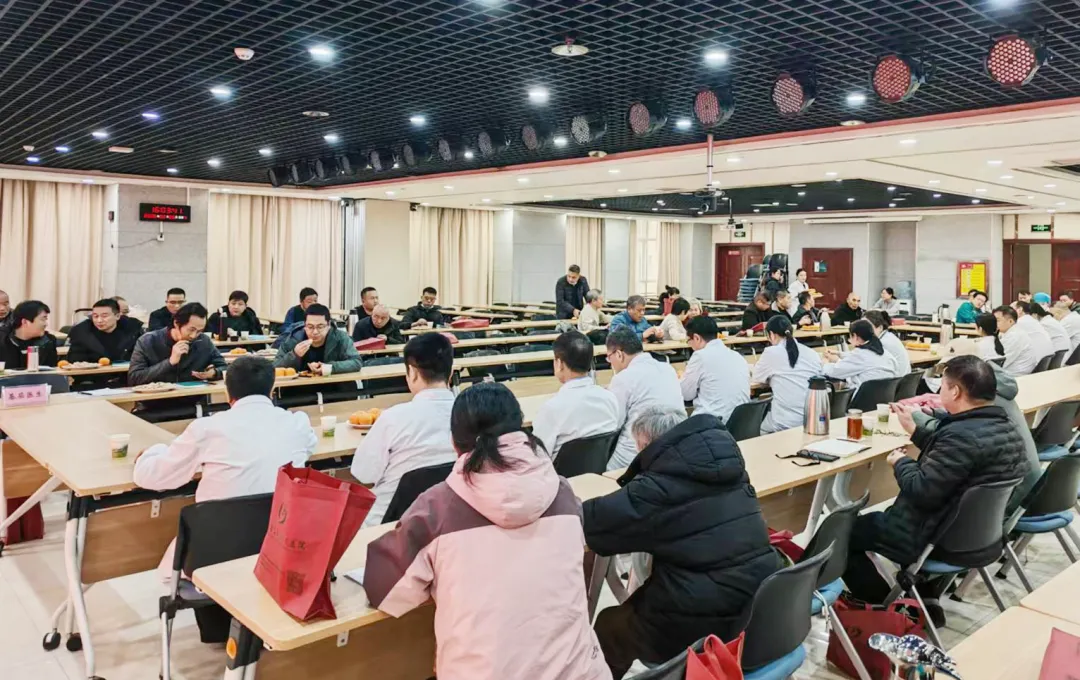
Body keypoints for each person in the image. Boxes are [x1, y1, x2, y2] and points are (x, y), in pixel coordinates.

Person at [364, 382, 611, 680]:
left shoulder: (436, 507)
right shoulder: (563, 493)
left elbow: (384, 591)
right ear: (521, 429)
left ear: (454, 443)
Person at [584, 408, 778, 678]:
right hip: (757, 608)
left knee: (610, 626)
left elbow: (593, 524)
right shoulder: (727, 465)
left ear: (647, 445)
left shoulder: (658, 487)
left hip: (704, 626)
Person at [843, 356, 1029, 622]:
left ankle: (892, 610)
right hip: (978, 538)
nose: (939, 391)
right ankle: (926, 599)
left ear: (955, 391)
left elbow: (922, 490)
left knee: (845, 532)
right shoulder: (1007, 429)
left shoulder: (961, 435)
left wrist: (901, 462)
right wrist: (916, 431)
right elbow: (958, 459)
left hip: (935, 538)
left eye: (942, 386)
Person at [133, 357, 317, 581]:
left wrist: (153, 452)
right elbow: (308, 446)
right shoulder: (297, 423)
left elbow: (153, 476)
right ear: (272, 390)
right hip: (281, 545)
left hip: (214, 553)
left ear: (227, 393)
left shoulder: (207, 428)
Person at [350, 333, 457, 527]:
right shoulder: (471, 415)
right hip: (448, 518)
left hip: (389, 524)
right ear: (451, 373)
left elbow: (363, 474)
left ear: (412, 373)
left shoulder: (393, 417)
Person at [531, 331, 620, 459]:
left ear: (559, 363)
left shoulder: (551, 409)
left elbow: (537, 457)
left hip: (559, 472)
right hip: (599, 470)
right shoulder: (610, 399)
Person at [605, 328, 685, 470]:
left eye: (608, 357)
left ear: (619, 355)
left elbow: (613, 424)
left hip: (635, 456)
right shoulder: (668, 369)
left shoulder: (623, 378)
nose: (609, 362)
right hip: (674, 449)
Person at [753, 315, 824, 433]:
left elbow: (756, 378)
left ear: (771, 334)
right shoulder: (811, 353)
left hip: (785, 422)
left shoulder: (771, 352)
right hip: (811, 419)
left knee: (756, 427)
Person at [129, 302, 227, 385]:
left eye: (199, 331)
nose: (194, 336)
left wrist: (213, 373)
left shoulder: (204, 341)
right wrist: (170, 362)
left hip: (194, 398)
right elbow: (134, 379)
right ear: (176, 323)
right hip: (156, 400)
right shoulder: (148, 341)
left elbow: (225, 368)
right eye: (191, 329)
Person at [680, 316, 749, 423]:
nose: (689, 345)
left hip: (712, 425)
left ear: (697, 338)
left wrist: (682, 377)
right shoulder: (737, 356)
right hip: (740, 424)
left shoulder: (700, 356)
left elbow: (685, 394)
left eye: (689, 340)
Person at [274, 303, 362, 376]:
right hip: (299, 388)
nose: (315, 332)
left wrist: (330, 367)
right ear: (304, 326)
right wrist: (294, 354)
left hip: (332, 386)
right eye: (310, 327)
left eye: (320, 327)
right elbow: (275, 366)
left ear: (328, 325)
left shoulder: (340, 337)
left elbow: (356, 362)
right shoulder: (294, 338)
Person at [822, 319, 894, 390]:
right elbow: (861, 359)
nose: (849, 340)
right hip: (886, 395)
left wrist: (825, 363)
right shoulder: (885, 353)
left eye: (850, 337)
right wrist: (839, 354)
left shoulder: (860, 354)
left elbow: (834, 372)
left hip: (865, 395)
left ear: (855, 336)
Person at [67, 298, 143, 364]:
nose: (99, 320)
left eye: (104, 316)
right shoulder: (82, 332)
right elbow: (75, 361)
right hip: (93, 375)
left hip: (126, 373)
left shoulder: (132, 329)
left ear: (117, 316)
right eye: (95, 316)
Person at [0, 300, 59, 369]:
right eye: (43, 319)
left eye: (46, 319)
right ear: (25, 322)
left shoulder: (48, 341)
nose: (46, 324)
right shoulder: (2, 340)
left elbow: (52, 370)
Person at [994, 305, 1042, 376]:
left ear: (1010, 321)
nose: (994, 323)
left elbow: (999, 363)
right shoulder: (1014, 331)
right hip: (1017, 372)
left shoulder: (1014, 336)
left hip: (1014, 376)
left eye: (997, 320)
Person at [864, 310, 911, 378]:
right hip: (903, 381)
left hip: (895, 382)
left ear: (880, 327)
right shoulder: (888, 336)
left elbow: (866, 365)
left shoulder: (882, 343)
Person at [1011, 301, 1055, 366]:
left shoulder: (1020, 322)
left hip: (1035, 364)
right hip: (1044, 362)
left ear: (1020, 309)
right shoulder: (1033, 321)